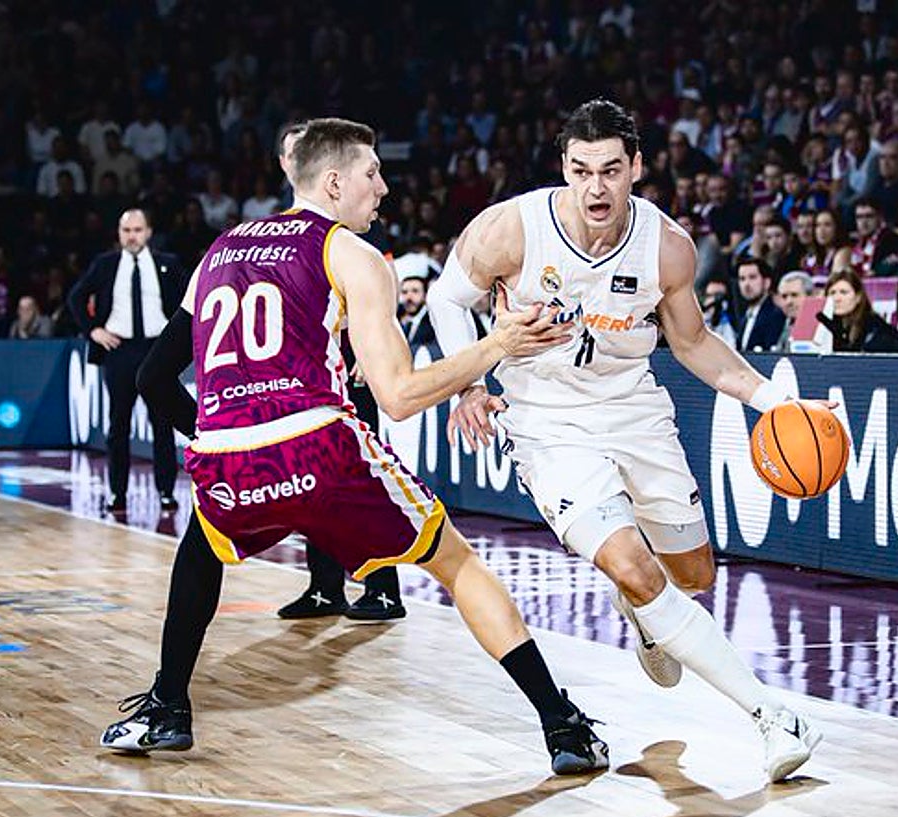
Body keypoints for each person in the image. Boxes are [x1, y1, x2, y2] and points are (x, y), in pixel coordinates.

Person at [102, 118, 610, 776]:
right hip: (316, 446)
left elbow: (154, 375)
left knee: (201, 547)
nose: (384, 187)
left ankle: (167, 706)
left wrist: (213, 437)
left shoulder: (219, 249)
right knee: (458, 565)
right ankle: (562, 725)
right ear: (335, 182)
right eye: (373, 173)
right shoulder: (352, 255)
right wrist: (496, 346)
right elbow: (398, 396)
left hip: (228, 455)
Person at [427, 99, 822, 783]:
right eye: (582, 170)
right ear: (564, 168)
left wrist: (777, 401)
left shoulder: (666, 246)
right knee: (635, 569)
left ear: (636, 167)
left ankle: (643, 615)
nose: (596, 187)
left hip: (634, 410)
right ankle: (774, 718)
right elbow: (445, 299)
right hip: (547, 424)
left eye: (610, 170)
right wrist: (468, 385)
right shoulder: (512, 229)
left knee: (693, 577)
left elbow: (693, 343)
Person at [270, 122, 409, 622]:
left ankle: (384, 587)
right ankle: (325, 586)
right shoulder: (283, 227)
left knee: (364, 478)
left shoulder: (355, 220)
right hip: (311, 376)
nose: (296, 159)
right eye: (290, 153)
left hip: (353, 364)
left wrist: (366, 352)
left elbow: (384, 284)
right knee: (316, 483)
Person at [68, 208, 188, 514]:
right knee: (118, 425)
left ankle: (166, 491)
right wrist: (93, 330)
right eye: (126, 231)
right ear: (119, 234)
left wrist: (176, 338)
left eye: (137, 230)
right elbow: (76, 297)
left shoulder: (167, 264)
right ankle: (117, 493)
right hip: (119, 350)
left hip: (156, 350)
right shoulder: (105, 264)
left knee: (162, 423)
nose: (132, 236)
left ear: (149, 232)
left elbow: (190, 299)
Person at [821, 269, 898, 353]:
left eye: (843, 292)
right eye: (832, 293)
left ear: (858, 297)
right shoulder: (823, 326)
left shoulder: (875, 327)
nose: (837, 299)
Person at [733, 257, 787, 353]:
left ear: (767, 283)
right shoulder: (746, 314)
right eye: (742, 279)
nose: (746, 284)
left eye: (752, 277)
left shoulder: (775, 315)